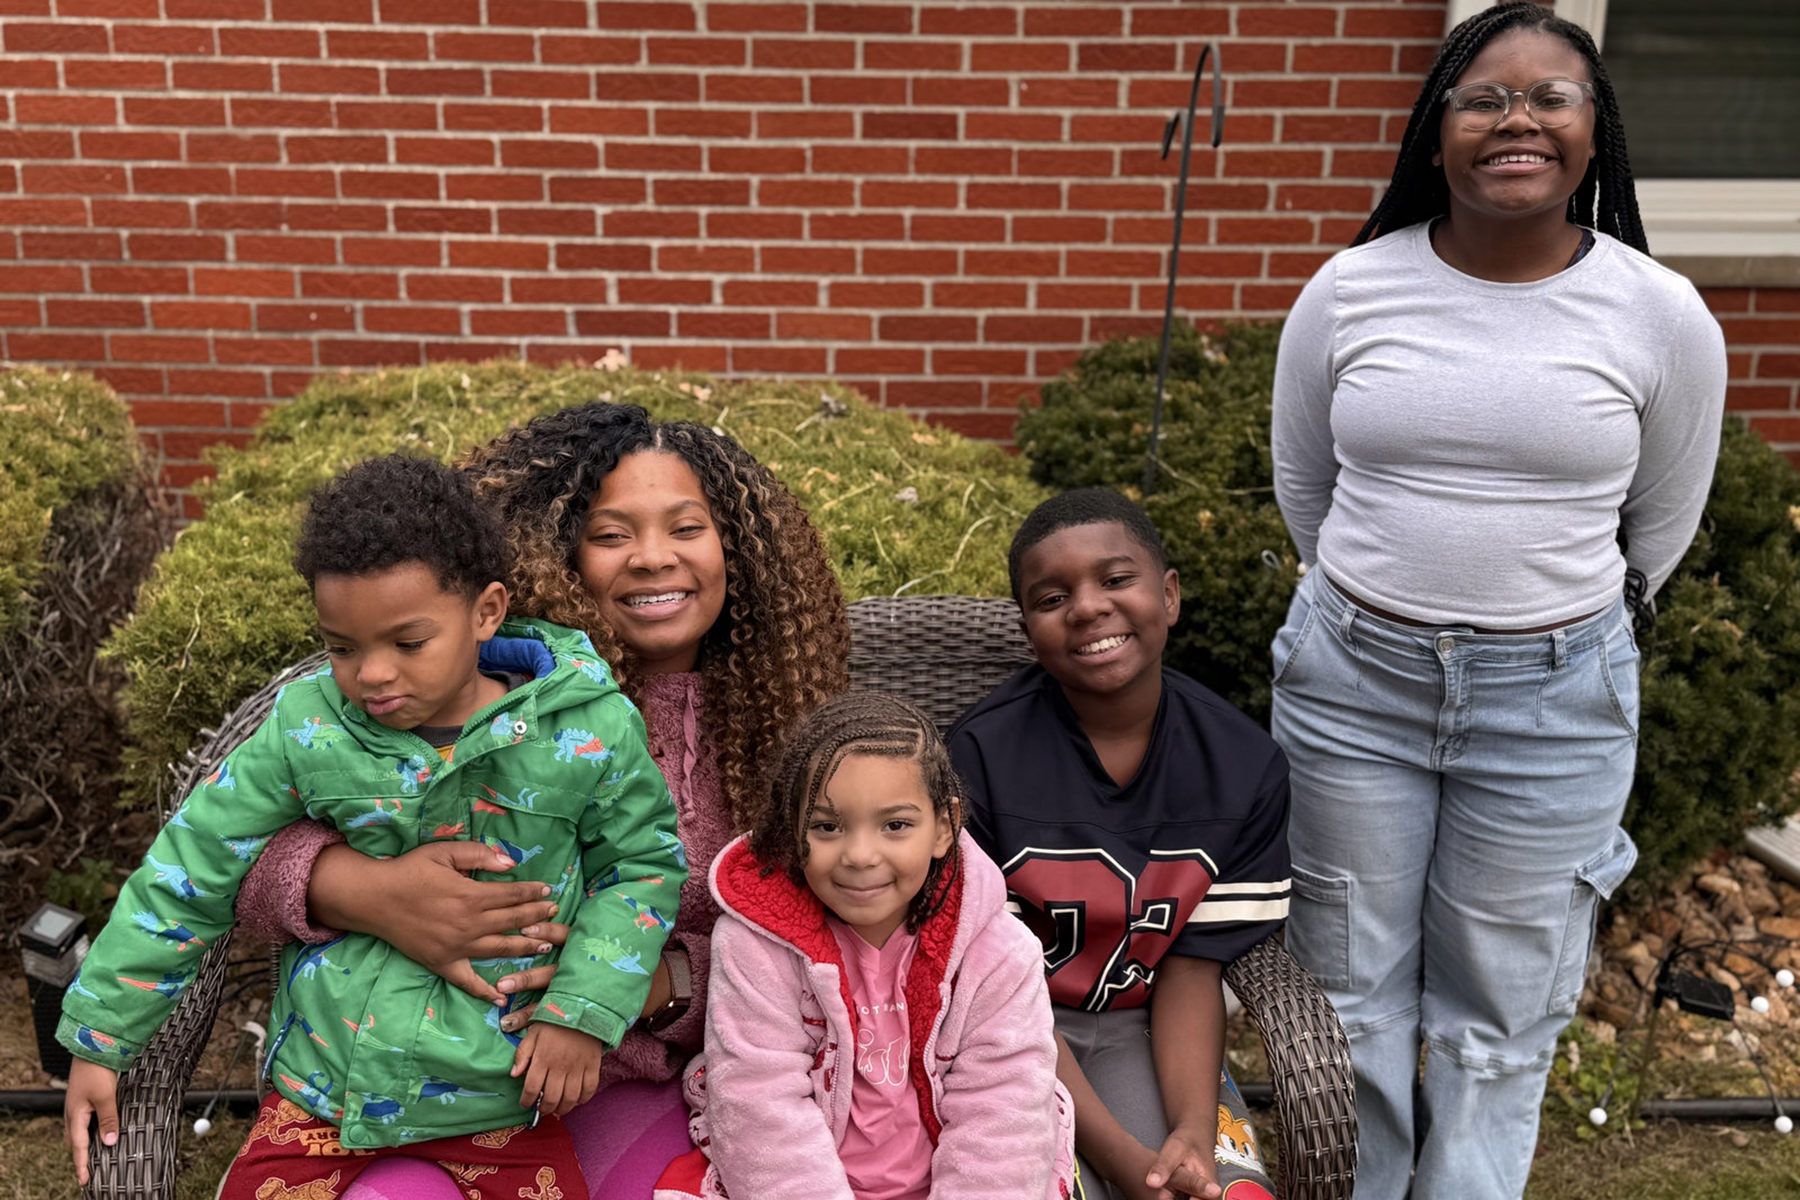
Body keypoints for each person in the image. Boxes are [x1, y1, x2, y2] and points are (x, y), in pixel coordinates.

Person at [1268, 4, 1728, 1197]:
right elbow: (1305, 486)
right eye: (1483, 98)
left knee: (1500, 1022)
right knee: (1350, 998)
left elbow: (1659, 523)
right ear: (1437, 133)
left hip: (1556, 705)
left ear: (1593, 132)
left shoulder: (1660, 315)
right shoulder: (1350, 288)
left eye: (1550, 97)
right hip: (1351, 688)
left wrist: (1533, 622)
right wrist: (1392, 600)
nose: (1515, 119)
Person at [235, 403, 851, 1199]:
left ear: (736, 549)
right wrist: (371, 893)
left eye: (686, 528)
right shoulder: (471, 697)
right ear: (553, 555)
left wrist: (661, 982)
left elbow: (834, 947)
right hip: (447, 1080)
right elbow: (234, 854)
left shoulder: (792, 728)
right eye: (610, 534)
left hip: (679, 1084)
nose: (653, 558)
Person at [62, 454, 685, 1198]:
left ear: (486, 612)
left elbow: (642, 866)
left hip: (505, 1102)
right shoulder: (308, 727)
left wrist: (583, 1012)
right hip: (321, 1098)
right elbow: (187, 869)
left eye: (406, 643)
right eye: (342, 647)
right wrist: (100, 1040)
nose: (372, 676)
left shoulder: (588, 729)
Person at [947, 489, 1288, 1200]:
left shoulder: (1242, 764)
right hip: (1000, 1034)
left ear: (1169, 596)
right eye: (1052, 596)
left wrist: (1192, 1129)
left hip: (1145, 1025)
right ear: (1027, 627)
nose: (1087, 607)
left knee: (1210, 1189)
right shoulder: (977, 757)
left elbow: (1196, 968)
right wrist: (1117, 1157)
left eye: (1115, 579)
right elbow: (988, 985)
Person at [655, 689, 1077, 1200]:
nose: (859, 855)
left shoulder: (1000, 953)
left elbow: (1003, 1115)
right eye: (828, 826)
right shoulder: (755, 945)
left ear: (944, 827)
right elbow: (760, 1105)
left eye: (895, 825)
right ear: (793, 830)